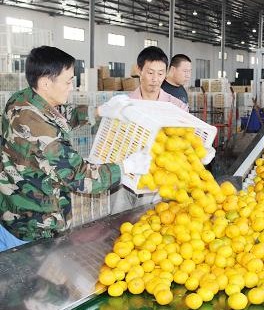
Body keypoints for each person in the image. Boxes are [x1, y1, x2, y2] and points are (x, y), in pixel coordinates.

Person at [0, 46, 150, 243]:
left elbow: (58, 115)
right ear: (45, 82)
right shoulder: (44, 135)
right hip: (34, 226)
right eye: (68, 81)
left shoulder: (23, 99)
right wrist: (126, 167)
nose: (72, 86)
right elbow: (81, 177)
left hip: (11, 210)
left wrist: (99, 111)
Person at [130, 46, 188, 112]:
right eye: (150, 72)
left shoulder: (179, 107)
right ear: (139, 70)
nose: (155, 79)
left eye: (160, 74)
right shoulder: (124, 105)